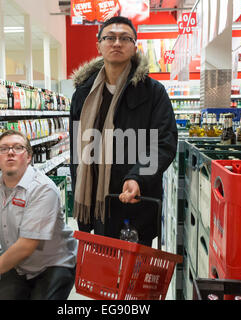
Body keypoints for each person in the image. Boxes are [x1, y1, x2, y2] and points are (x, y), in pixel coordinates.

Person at [69, 16, 178, 246]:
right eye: (110, 37)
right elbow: (77, 151)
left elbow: (163, 143)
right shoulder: (83, 94)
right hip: (96, 203)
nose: (117, 43)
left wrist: (138, 177)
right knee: (104, 275)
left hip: (136, 199)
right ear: (99, 45)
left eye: (124, 38)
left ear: (134, 46)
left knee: (134, 275)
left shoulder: (153, 92)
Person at [0, 129, 77, 300]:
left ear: (29, 157)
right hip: (19, 264)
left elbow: (26, 245)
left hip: (54, 264)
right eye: (3, 149)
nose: (10, 152)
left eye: (18, 148)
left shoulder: (43, 189)